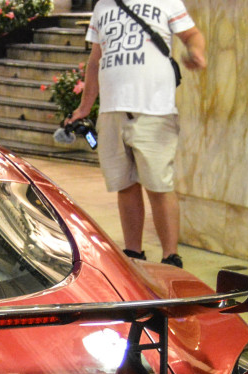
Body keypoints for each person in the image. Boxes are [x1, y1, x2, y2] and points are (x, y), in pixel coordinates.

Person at [67, 0, 205, 269]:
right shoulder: (102, 7)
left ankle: (170, 257)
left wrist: (197, 52)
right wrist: (84, 108)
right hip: (111, 110)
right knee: (125, 184)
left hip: (154, 110)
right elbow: (95, 61)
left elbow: (192, 35)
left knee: (158, 185)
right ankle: (134, 253)